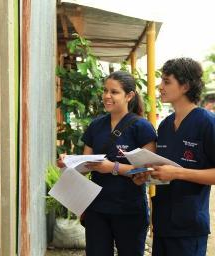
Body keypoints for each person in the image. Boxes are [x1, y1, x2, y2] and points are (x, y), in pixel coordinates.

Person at [135, 57, 215, 256]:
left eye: (166, 81)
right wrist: (147, 174)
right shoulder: (165, 125)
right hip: (162, 223)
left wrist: (178, 173)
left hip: (189, 226)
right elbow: (164, 169)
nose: (160, 86)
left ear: (185, 86)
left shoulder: (207, 123)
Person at [80, 71, 157, 256]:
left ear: (129, 96)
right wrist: (67, 163)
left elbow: (149, 170)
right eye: (105, 90)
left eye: (114, 92)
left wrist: (113, 167)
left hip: (129, 210)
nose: (107, 96)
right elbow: (85, 163)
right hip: (96, 208)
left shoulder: (142, 127)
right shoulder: (95, 126)